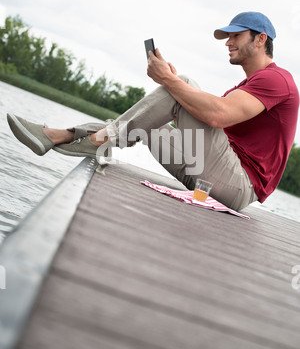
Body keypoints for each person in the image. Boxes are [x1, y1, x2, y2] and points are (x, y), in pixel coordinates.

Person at [7, 12, 299, 211]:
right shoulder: (248, 84)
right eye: (228, 36)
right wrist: (170, 84)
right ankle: (63, 135)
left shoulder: (277, 80)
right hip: (207, 173)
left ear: (260, 39)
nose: (228, 42)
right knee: (152, 118)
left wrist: (172, 82)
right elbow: (207, 111)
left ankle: (92, 141)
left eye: (236, 35)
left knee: (181, 85)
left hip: (236, 184)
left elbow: (217, 116)